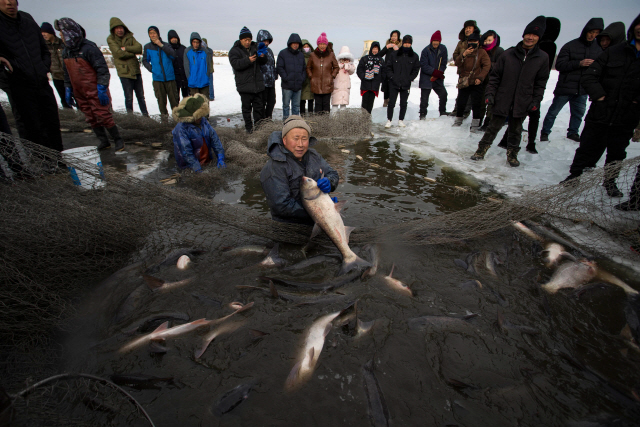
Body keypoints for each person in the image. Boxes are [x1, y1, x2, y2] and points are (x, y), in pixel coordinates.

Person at [560, 14, 640, 198]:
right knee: (587, 146)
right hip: (601, 111)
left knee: (617, 152)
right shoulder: (613, 52)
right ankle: (574, 175)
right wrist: (600, 96)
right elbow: (590, 76)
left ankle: (610, 182)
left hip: (626, 116)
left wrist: (636, 101)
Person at [470, 16, 550, 167]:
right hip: (503, 98)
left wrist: (535, 100)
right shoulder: (508, 54)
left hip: (523, 100)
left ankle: (512, 155)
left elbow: (541, 82)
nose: (530, 37)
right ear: (523, 35)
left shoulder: (542, 58)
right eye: (528, 34)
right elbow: (494, 77)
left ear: (538, 38)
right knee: (493, 127)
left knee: (516, 130)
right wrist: (490, 94)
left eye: (534, 35)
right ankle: (481, 150)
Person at [0, 0, 63, 151]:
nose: (9, 3)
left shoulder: (27, 20)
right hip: (17, 85)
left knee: (52, 122)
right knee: (31, 126)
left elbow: (44, 49)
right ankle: (40, 163)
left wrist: (43, 67)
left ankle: (58, 160)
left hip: (41, 81)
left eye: (12, 0)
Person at [56, 17, 125, 151]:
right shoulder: (66, 52)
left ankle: (118, 140)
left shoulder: (89, 48)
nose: (61, 37)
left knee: (103, 115)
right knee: (90, 116)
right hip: (79, 91)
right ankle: (104, 141)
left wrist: (102, 87)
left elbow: (102, 70)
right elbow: (66, 73)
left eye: (62, 34)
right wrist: (68, 88)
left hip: (94, 89)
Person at [260, 115, 339, 225]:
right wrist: (321, 209)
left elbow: (333, 174)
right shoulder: (274, 167)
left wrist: (330, 182)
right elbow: (281, 206)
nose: (300, 144)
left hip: (317, 219)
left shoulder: (314, 156)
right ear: (285, 140)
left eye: (304, 139)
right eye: (295, 139)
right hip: (289, 226)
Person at [540, 18, 605, 142]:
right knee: (553, 112)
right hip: (566, 87)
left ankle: (573, 132)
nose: (593, 35)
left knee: (578, 114)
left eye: (596, 33)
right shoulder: (570, 45)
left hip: (583, 89)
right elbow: (559, 65)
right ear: (586, 30)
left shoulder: (598, 49)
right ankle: (545, 132)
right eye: (591, 32)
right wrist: (578, 63)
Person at [171, 93, 225, 173]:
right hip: (188, 166)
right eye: (198, 116)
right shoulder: (181, 129)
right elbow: (186, 151)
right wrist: (196, 168)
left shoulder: (204, 122)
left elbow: (215, 139)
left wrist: (220, 157)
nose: (201, 118)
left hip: (206, 160)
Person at [107, 17, 148, 116]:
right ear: (113, 29)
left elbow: (139, 48)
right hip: (124, 73)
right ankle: (131, 117)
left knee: (141, 97)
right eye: (117, 28)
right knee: (129, 97)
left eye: (121, 28)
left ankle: (146, 116)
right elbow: (119, 54)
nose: (120, 30)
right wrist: (132, 53)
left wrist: (126, 48)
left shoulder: (130, 37)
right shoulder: (111, 39)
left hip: (135, 70)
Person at [229, 26, 267, 133]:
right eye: (245, 40)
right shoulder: (234, 51)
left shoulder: (255, 47)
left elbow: (264, 61)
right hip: (244, 86)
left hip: (257, 86)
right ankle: (249, 129)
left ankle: (258, 130)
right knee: (246, 110)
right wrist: (248, 60)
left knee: (258, 109)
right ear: (240, 40)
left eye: (249, 40)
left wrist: (262, 55)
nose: (247, 42)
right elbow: (235, 64)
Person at [452, 31, 490, 130]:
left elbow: (487, 66)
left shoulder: (482, 52)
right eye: (471, 41)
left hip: (476, 82)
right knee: (461, 102)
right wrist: (464, 54)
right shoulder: (465, 51)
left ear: (478, 42)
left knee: (476, 104)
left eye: (475, 41)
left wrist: (480, 77)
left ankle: (475, 125)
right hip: (464, 81)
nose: (472, 43)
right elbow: (457, 63)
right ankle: (458, 121)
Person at [384, 35, 420, 128]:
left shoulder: (414, 56)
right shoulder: (395, 54)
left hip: (405, 83)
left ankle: (401, 120)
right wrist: (392, 77)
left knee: (403, 103)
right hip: (394, 83)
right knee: (391, 103)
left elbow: (416, 69)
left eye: (409, 43)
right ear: (402, 43)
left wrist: (410, 78)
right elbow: (388, 67)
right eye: (405, 43)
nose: (407, 45)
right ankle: (389, 120)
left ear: (411, 44)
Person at [142, 26, 178, 118]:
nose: (153, 35)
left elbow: (173, 55)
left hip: (170, 78)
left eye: (154, 33)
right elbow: (145, 60)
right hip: (158, 79)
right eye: (150, 34)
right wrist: (151, 69)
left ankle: (177, 122)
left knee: (174, 103)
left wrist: (160, 45)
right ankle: (164, 122)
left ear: (158, 34)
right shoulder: (147, 47)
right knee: (161, 103)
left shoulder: (166, 45)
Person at [451, 20, 481, 117]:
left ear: (474, 29)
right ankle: (457, 110)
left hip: (474, 72)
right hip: (463, 71)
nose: (467, 30)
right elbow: (455, 54)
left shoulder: (479, 40)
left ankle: (466, 112)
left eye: (470, 28)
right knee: (461, 91)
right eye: (466, 28)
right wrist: (460, 58)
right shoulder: (461, 43)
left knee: (471, 94)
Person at [476, 30, 503, 130]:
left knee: (491, 103)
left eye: (490, 40)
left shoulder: (499, 51)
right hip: (482, 80)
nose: (487, 42)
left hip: (494, 81)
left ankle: (488, 122)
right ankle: (479, 121)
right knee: (481, 102)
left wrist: (488, 65)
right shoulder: (481, 51)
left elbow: (502, 66)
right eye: (486, 40)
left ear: (495, 40)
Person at [418, 30, 448, 119]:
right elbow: (423, 65)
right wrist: (434, 72)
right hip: (426, 78)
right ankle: (422, 115)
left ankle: (442, 113)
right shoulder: (426, 50)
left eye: (437, 41)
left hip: (437, 78)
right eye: (434, 41)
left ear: (440, 41)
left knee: (443, 94)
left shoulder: (443, 49)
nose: (435, 43)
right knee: (424, 99)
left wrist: (440, 72)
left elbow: (444, 63)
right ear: (431, 41)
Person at [307, 32, 339, 114]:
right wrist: (311, 76)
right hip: (316, 84)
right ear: (318, 44)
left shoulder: (331, 55)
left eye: (324, 44)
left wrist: (332, 76)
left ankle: (326, 124)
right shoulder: (313, 55)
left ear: (326, 45)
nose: (322, 46)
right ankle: (318, 123)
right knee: (317, 105)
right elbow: (308, 67)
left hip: (327, 84)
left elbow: (336, 67)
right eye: (320, 44)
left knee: (326, 105)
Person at [41, 22, 71, 109]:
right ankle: (70, 117)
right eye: (42, 33)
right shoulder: (43, 46)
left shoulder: (62, 43)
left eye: (45, 32)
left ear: (51, 32)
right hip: (57, 77)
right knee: (64, 100)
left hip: (69, 76)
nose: (43, 34)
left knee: (77, 98)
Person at [277, 33, 306, 120]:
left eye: (297, 43)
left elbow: (304, 69)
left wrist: (302, 78)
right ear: (290, 43)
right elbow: (279, 67)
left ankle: (295, 124)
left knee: (296, 106)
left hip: (298, 85)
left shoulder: (301, 55)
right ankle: (286, 124)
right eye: (293, 43)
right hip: (287, 86)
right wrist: (286, 78)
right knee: (286, 106)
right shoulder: (283, 53)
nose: (295, 45)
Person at [357, 41, 385, 114]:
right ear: (371, 49)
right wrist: (363, 77)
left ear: (378, 50)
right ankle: (363, 119)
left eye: (376, 49)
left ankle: (368, 118)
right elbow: (359, 70)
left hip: (375, 85)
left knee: (371, 103)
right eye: (373, 48)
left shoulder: (381, 60)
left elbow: (384, 71)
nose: (375, 50)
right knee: (364, 103)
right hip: (365, 84)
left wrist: (380, 79)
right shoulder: (365, 58)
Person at [257, 29, 277, 120]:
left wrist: (275, 75)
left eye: (267, 41)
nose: (266, 43)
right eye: (264, 41)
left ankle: (268, 119)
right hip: (262, 82)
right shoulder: (257, 50)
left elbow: (273, 64)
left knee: (272, 101)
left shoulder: (270, 51)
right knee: (262, 103)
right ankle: (262, 121)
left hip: (271, 82)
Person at [184, 33, 212, 97]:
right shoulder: (187, 51)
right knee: (195, 105)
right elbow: (186, 66)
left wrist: (207, 76)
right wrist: (189, 78)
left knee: (205, 104)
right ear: (191, 42)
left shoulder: (205, 52)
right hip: (193, 83)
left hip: (204, 82)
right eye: (194, 42)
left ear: (200, 42)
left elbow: (208, 66)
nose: (196, 44)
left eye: (197, 42)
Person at [379, 30, 401, 107]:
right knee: (386, 88)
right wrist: (386, 47)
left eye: (395, 36)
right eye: (392, 36)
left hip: (395, 71)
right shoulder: (388, 46)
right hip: (386, 70)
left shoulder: (400, 47)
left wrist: (397, 49)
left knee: (393, 88)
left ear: (398, 37)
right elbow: (380, 55)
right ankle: (385, 103)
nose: (393, 37)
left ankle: (392, 105)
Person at [168, 30, 189, 100]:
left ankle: (186, 110)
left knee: (186, 97)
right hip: (174, 77)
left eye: (175, 38)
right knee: (175, 97)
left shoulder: (183, 49)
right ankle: (177, 110)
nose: (174, 39)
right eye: (172, 38)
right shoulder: (168, 49)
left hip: (184, 76)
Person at [300, 39, 314, 116]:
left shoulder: (313, 56)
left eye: (307, 46)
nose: (306, 48)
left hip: (311, 81)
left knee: (311, 100)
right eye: (304, 46)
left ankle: (311, 117)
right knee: (302, 100)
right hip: (302, 81)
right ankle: (302, 116)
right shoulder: (299, 56)